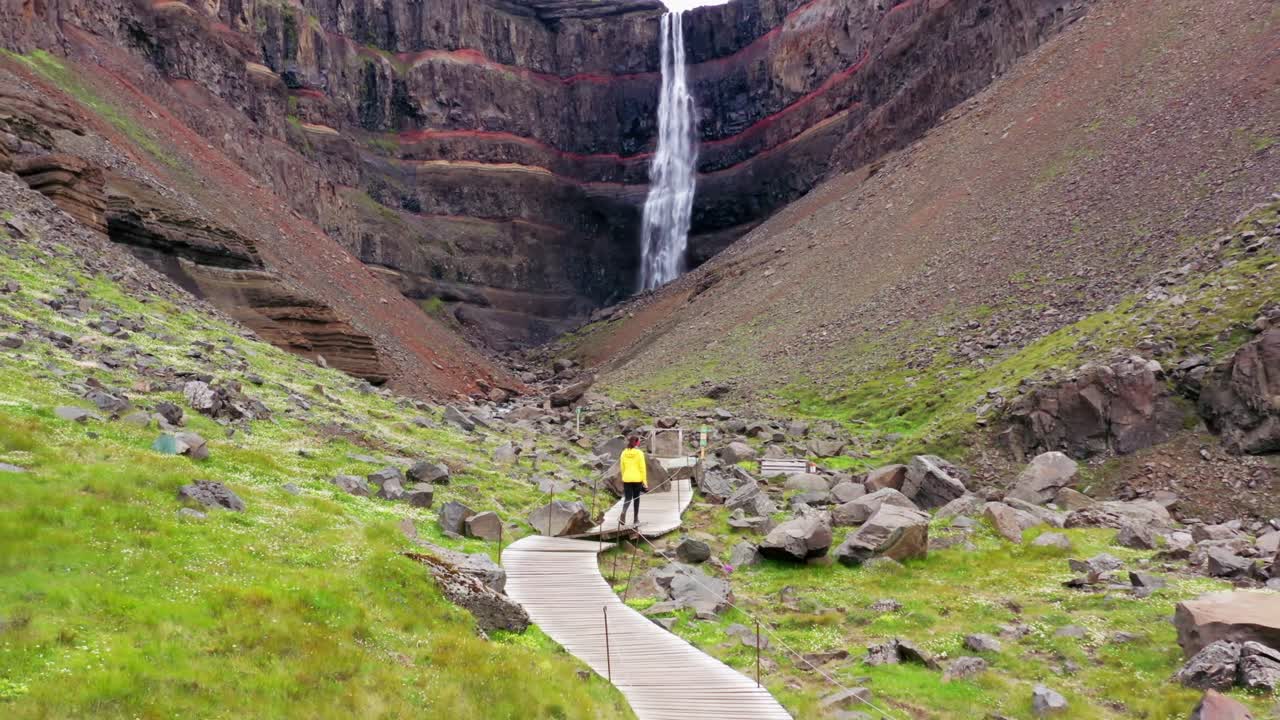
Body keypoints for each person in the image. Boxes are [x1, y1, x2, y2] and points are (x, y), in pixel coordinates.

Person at [619, 435, 648, 526]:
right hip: (637, 479)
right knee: (636, 498)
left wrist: (624, 476)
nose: (639, 442)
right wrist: (645, 482)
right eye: (638, 441)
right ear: (636, 442)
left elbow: (622, 466)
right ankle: (635, 519)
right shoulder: (639, 453)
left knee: (627, 498)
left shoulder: (624, 453)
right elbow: (642, 468)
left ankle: (623, 512)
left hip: (627, 478)